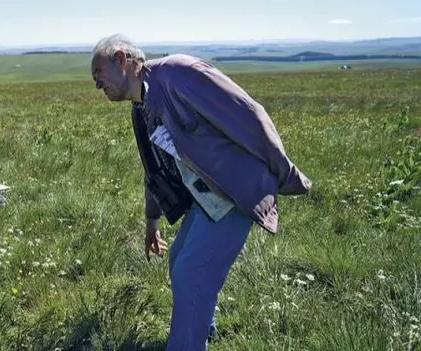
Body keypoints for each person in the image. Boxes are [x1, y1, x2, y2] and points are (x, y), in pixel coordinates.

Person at [89, 34, 312, 350]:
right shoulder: (140, 109)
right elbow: (153, 171)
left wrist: (283, 172)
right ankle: (201, 330)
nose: (96, 85)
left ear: (122, 61)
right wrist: (152, 222)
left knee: (192, 275)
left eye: (98, 73)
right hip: (205, 198)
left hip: (233, 192)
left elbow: (250, 113)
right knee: (179, 259)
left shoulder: (180, 73)